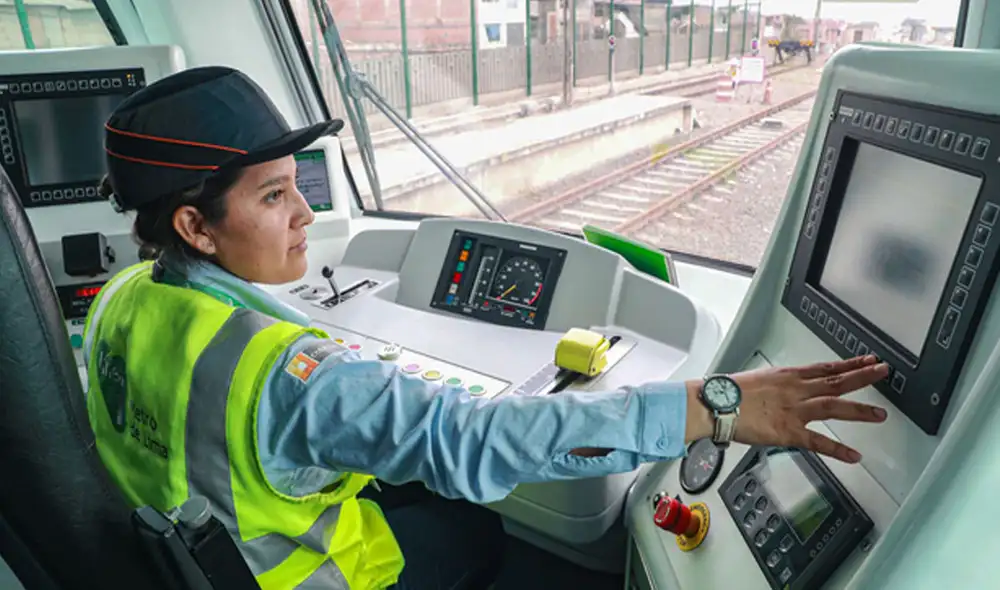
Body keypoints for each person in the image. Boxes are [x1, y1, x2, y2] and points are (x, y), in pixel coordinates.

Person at [84, 65, 889, 590]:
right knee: (471, 522)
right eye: (272, 198)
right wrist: (716, 402)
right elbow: (478, 444)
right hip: (302, 577)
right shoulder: (287, 375)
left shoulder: (120, 298)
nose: (305, 215)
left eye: (300, 187)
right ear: (194, 226)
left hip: (203, 554)